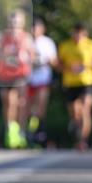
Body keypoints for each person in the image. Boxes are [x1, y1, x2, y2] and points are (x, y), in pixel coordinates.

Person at [0, 9, 34, 149]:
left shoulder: (26, 37)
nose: (14, 23)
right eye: (12, 20)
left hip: (20, 74)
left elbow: (33, 55)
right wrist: (3, 55)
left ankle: (21, 131)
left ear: (22, 22)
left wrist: (26, 58)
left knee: (20, 102)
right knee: (8, 103)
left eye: (17, 21)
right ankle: (10, 129)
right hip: (4, 75)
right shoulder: (1, 37)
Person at [57, 23, 92, 151]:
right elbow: (58, 65)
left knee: (85, 109)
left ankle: (83, 140)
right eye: (76, 33)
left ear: (85, 33)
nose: (78, 36)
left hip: (87, 82)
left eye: (81, 34)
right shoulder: (65, 45)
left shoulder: (91, 45)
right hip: (70, 83)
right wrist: (69, 68)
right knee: (75, 113)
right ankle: (78, 135)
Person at [26, 17, 57, 147]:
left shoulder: (47, 42)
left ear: (42, 28)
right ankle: (29, 132)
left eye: (36, 27)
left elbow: (55, 61)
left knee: (40, 106)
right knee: (28, 108)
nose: (34, 30)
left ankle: (40, 132)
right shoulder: (26, 41)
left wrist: (44, 61)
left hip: (42, 79)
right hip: (28, 80)